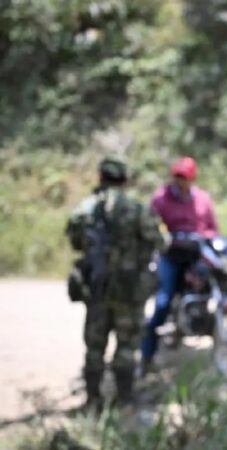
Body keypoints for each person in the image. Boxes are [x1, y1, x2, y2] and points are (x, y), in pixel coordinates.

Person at [66, 157, 163, 408]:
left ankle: (92, 401)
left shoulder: (84, 209)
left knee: (95, 346)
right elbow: (160, 241)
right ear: (124, 180)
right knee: (127, 345)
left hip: (96, 288)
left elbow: (76, 243)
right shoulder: (137, 209)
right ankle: (125, 400)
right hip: (129, 290)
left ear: (100, 178)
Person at [140, 156, 219, 369]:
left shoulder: (202, 200)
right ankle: (146, 357)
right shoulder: (161, 198)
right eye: (176, 176)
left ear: (192, 178)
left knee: (211, 284)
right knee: (162, 302)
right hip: (170, 256)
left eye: (183, 177)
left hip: (196, 256)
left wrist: (205, 237)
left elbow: (212, 228)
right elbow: (150, 226)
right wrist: (169, 238)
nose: (179, 180)